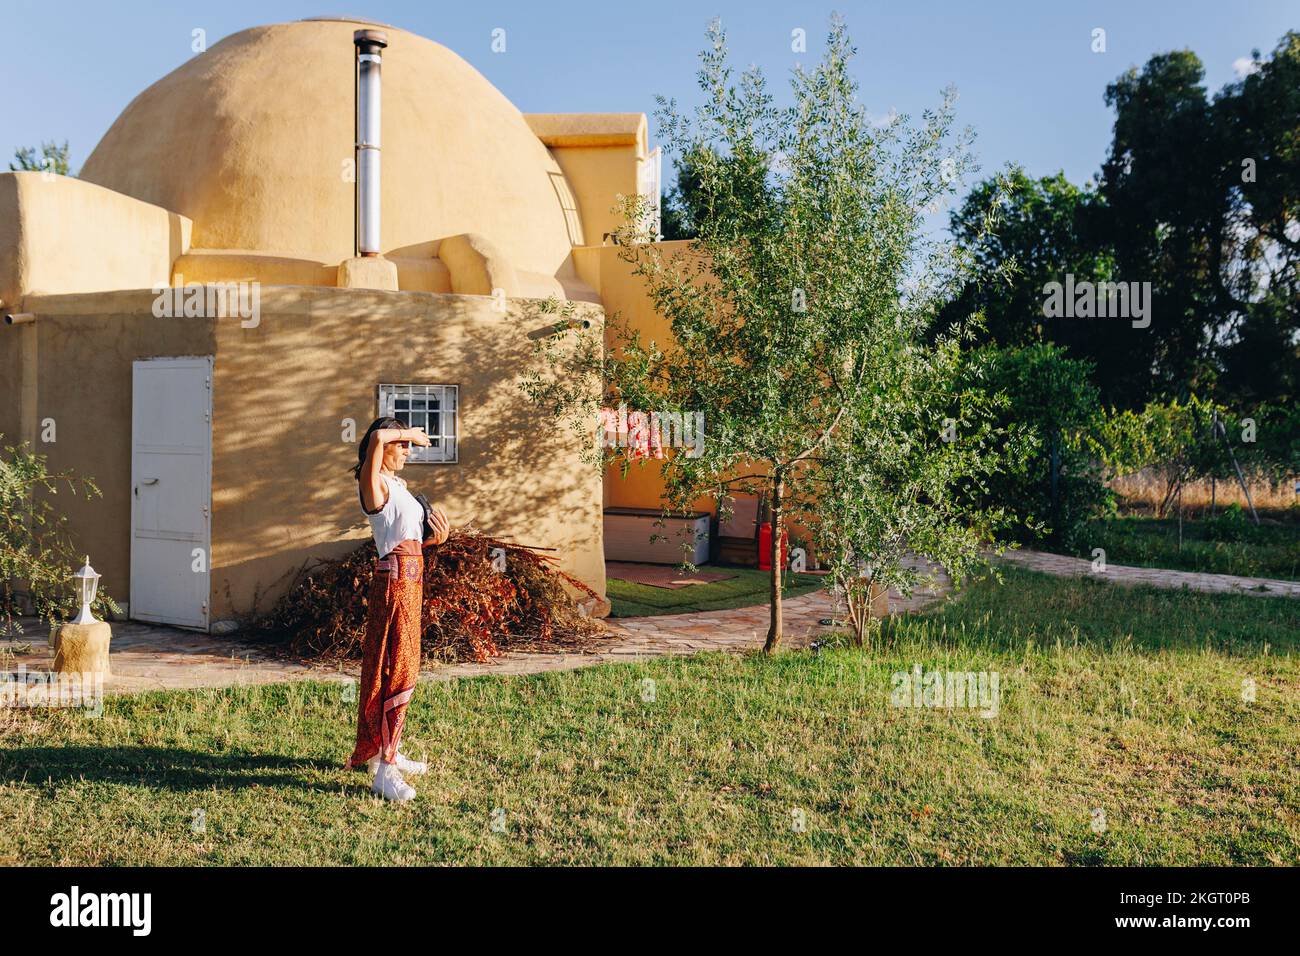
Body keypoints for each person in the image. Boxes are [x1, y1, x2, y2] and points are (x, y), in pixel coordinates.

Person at [345, 416, 450, 801]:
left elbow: (409, 541)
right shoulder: (373, 485)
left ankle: (386, 751)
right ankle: (385, 772)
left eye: (407, 444)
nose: (407, 450)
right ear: (383, 449)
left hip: (411, 581)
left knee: (400, 665)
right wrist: (410, 432)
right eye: (402, 444)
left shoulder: (399, 488)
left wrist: (437, 539)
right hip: (394, 585)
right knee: (397, 668)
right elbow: (376, 435)